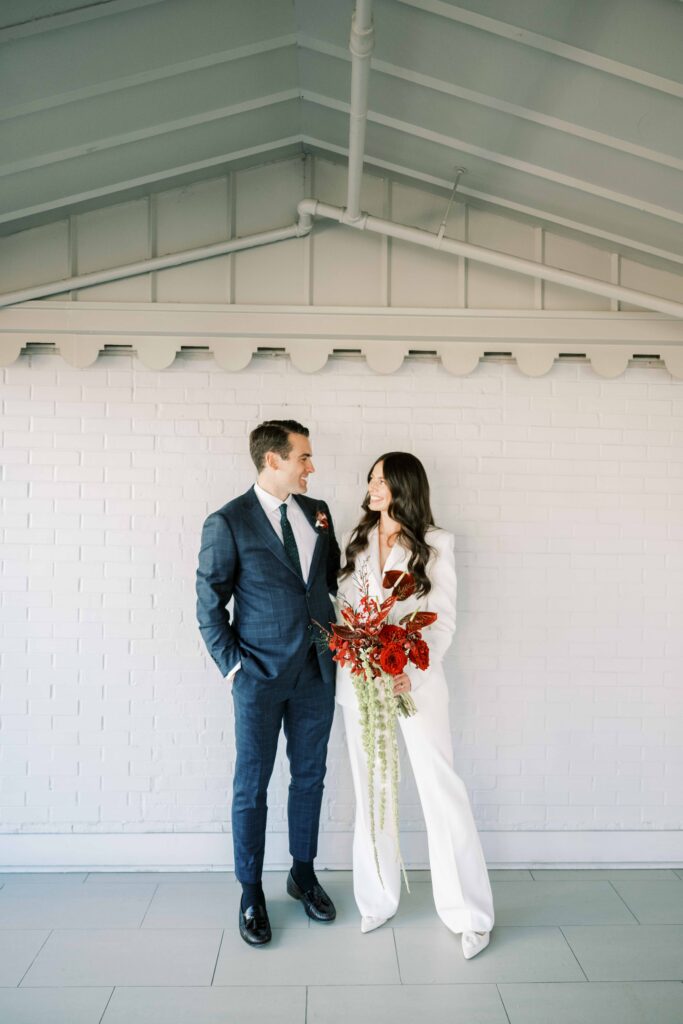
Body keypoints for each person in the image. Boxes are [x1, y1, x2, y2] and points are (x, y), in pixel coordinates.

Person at [337, 451, 494, 959]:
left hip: (415, 684)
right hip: (359, 681)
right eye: (371, 477)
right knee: (373, 789)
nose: (372, 485)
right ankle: (377, 900)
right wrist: (356, 649)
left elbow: (442, 621)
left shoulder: (436, 546)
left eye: (382, 479)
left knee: (439, 788)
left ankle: (469, 914)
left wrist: (410, 669)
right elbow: (343, 608)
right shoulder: (356, 539)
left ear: (404, 486)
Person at [196, 420, 341, 947]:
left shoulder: (318, 512)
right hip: (257, 677)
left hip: (316, 673)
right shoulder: (227, 522)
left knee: (310, 777)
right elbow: (208, 605)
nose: (312, 466)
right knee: (251, 786)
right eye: (304, 456)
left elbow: (327, 584)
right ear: (273, 460)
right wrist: (235, 666)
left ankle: (302, 873)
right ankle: (251, 890)